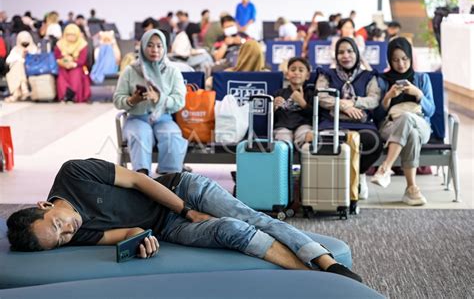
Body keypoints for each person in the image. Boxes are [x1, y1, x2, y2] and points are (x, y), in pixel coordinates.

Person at [6, 158, 362, 283]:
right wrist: (140, 243)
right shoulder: (78, 237)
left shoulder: (73, 173)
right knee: (233, 231)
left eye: (58, 224)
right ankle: (309, 276)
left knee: (249, 216)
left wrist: (187, 210)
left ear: (44, 204)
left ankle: (327, 264)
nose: (69, 231)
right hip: (169, 228)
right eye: (62, 240)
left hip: (183, 191)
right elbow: (127, 233)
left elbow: (139, 180)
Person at [315, 37, 383, 200]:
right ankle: (337, 181)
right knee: (326, 141)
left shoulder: (368, 76)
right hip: (332, 122)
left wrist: (353, 102)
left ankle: (358, 175)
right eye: (341, 52)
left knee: (373, 142)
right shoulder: (327, 74)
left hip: (361, 123)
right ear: (336, 56)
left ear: (357, 53)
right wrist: (342, 105)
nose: (346, 56)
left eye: (350, 51)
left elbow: (374, 99)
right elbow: (321, 96)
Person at [113, 29, 188, 176]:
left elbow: (180, 100)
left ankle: (169, 177)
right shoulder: (131, 70)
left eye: (159, 46)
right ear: (142, 47)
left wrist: (160, 99)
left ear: (165, 48)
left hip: (163, 118)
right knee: (140, 135)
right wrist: (131, 100)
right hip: (137, 118)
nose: (155, 50)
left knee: (171, 135)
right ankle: (142, 178)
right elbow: (117, 99)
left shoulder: (172, 71)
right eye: (150, 45)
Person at [372, 37, 435, 206]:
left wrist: (418, 94)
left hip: (421, 124)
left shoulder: (422, 79)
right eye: (395, 60)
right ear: (389, 60)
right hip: (390, 125)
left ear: (410, 58)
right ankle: (412, 189)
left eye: (404, 59)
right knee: (411, 134)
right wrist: (387, 97)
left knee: (409, 120)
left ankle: (385, 168)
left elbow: (431, 111)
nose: (400, 64)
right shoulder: (382, 80)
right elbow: (376, 115)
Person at [273, 57, 313, 148]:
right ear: (287, 74)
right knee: (283, 142)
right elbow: (271, 117)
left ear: (307, 76)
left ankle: (304, 160)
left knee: (306, 136)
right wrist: (274, 107)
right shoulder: (279, 93)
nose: (296, 72)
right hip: (283, 127)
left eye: (301, 70)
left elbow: (314, 115)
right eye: (293, 69)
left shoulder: (310, 93)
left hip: (303, 125)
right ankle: (284, 159)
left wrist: (303, 103)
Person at [54, 23, 91, 102]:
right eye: (68, 35)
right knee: (61, 74)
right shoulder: (60, 44)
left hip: (77, 66)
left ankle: (75, 96)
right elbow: (57, 57)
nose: (70, 37)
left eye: (73, 35)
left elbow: (82, 59)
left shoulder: (82, 44)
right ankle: (64, 96)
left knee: (76, 74)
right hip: (64, 65)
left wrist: (73, 64)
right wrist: (65, 62)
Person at [5, 31, 38, 102]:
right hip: (17, 70)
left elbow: (36, 60)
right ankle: (24, 89)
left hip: (29, 70)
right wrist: (21, 56)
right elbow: (8, 60)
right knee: (18, 64)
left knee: (19, 65)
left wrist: (27, 55)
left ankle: (16, 94)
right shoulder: (15, 49)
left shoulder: (34, 49)